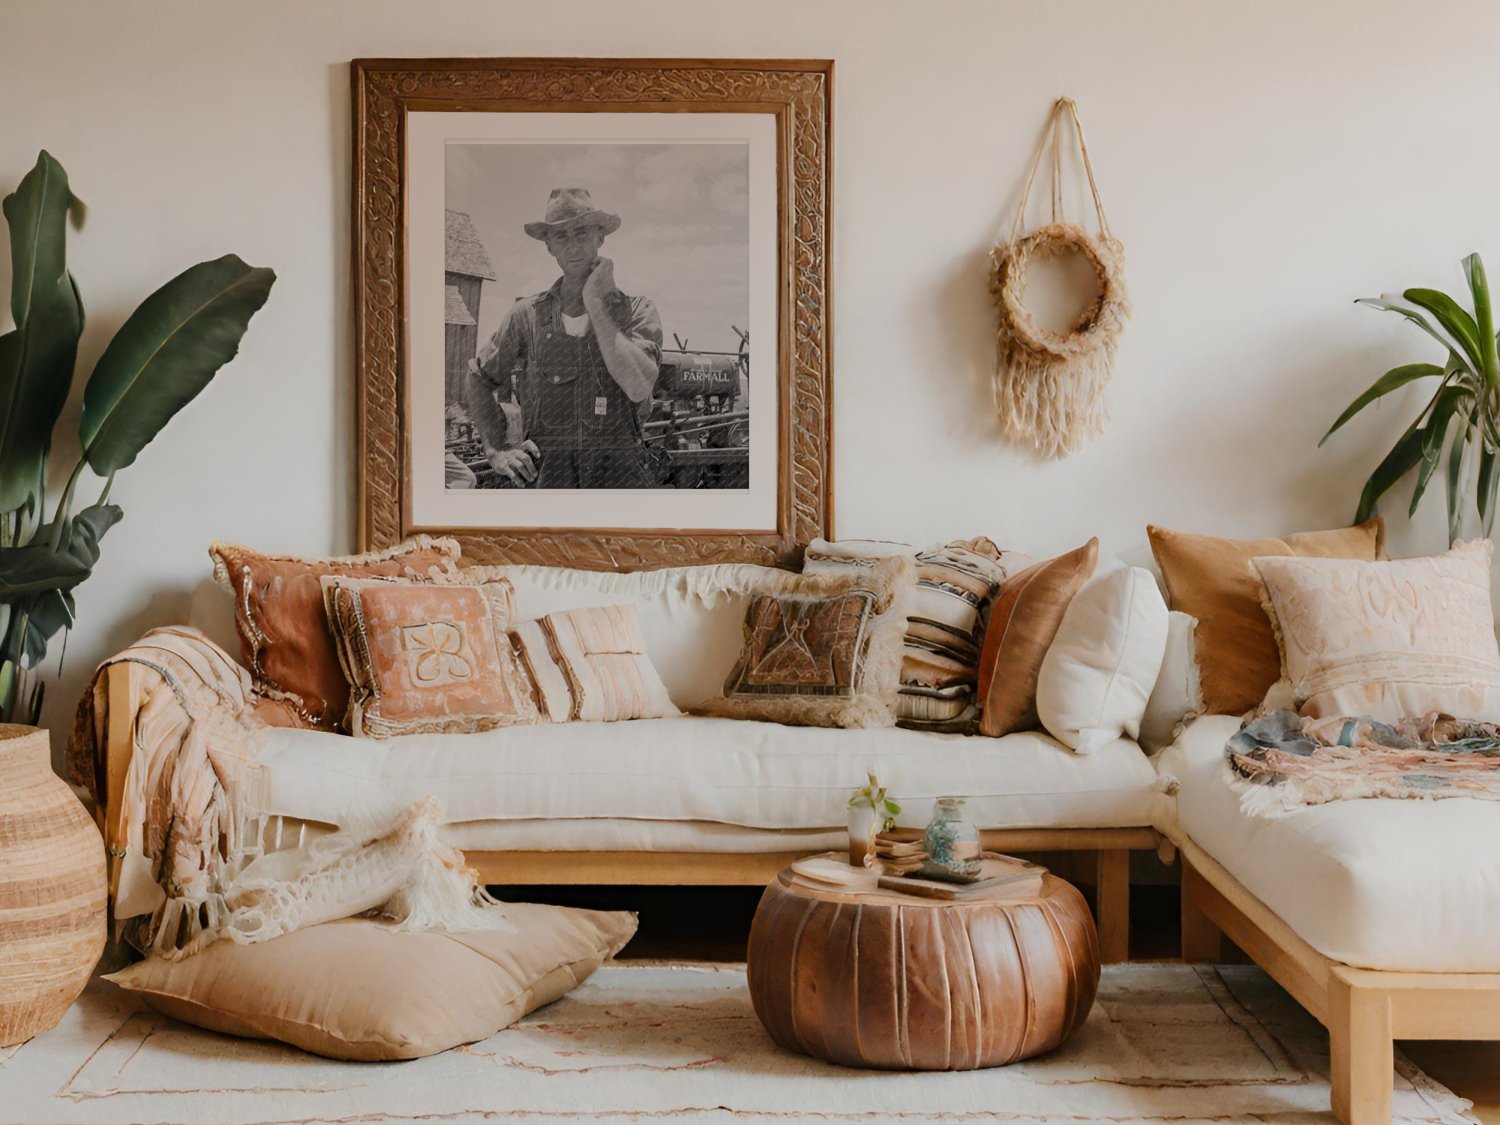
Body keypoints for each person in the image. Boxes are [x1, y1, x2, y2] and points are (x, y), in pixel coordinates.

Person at [466, 188, 663, 488]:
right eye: (561, 236)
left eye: (581, 232)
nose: (573, 246)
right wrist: (496, 449)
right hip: (550, 488)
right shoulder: (525, 316)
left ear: (600, 237)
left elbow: (638, 386)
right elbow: (478, 378)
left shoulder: (637, 311)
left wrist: (596, 303)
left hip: (620, 490)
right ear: (549, 246)